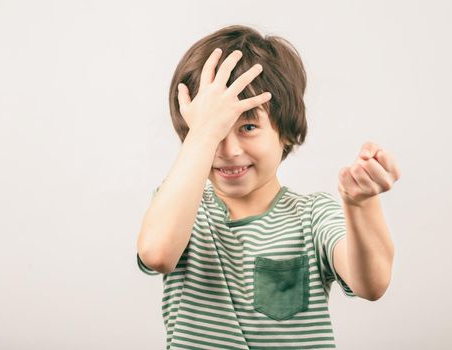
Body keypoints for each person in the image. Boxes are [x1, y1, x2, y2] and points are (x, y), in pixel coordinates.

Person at [136, 24, 400, 349]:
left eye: (248, 126)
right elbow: (157, 254)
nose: (228, 149)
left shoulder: (313, 215)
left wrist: (360, 204)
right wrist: (202, 132)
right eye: (214, 128)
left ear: (286, 133)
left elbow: (371, 283)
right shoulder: (181, 205)